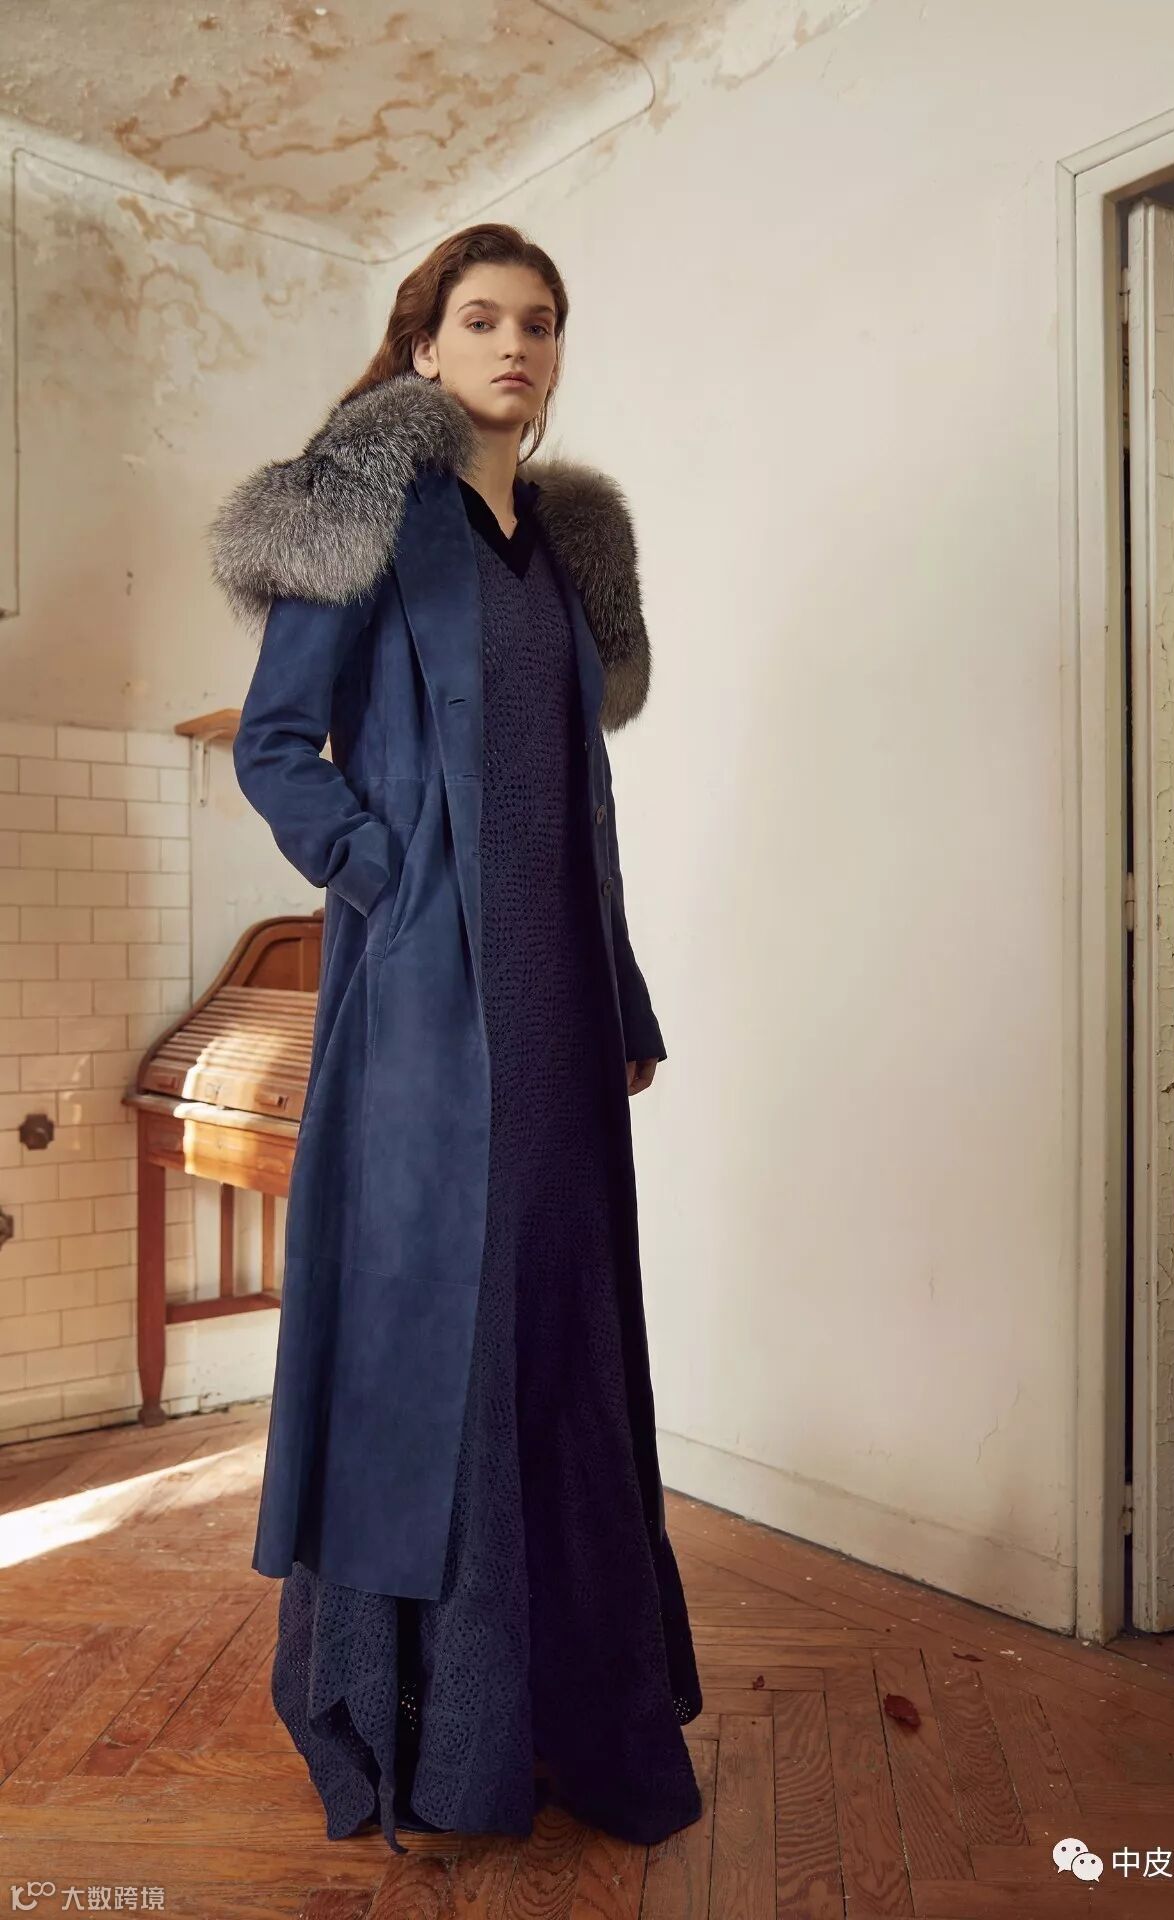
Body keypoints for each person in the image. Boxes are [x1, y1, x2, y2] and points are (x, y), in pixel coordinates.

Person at [206, 222, 704, 1852]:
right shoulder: (367, 510)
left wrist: (623, 998)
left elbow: (580, 808)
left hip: (564, 1020)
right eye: (482, 318)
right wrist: (393, 880)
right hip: (425, 1007)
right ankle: (434, 1737)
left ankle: (576, 1717)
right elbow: (276, 747)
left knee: (563, 1336)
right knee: (445, 1349)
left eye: (540, 323)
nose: (515, 345)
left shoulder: (561, 550)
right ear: (425, 345)